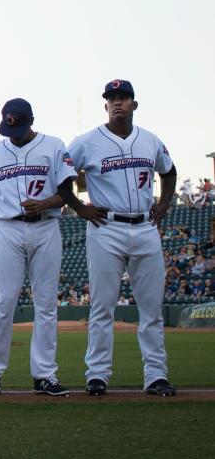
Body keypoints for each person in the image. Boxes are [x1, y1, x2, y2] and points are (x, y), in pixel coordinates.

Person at [68, 79, 178, 396]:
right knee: (102, 307)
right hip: (107, 227)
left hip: (145, 227)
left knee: (152, 310)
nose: (117, 102)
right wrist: (79, 207)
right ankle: (97, 375)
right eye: (112, 98)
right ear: (105, 105)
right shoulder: (87, 141)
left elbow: (169, 172)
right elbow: (62, 175)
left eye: (124, 97)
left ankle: (156, 375)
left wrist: (164, 204)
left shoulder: (150, 140)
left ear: (134, 104)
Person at [0, 98, 82, 396]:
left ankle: (44, 374)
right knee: (3, 301)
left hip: (46, 227)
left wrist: (45, 204)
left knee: (46, 303)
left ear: (31, 121)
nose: (14, 133)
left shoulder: (54, 145)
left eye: (19, 127)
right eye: (9, 127)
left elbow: (66, 192)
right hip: (8, 229)